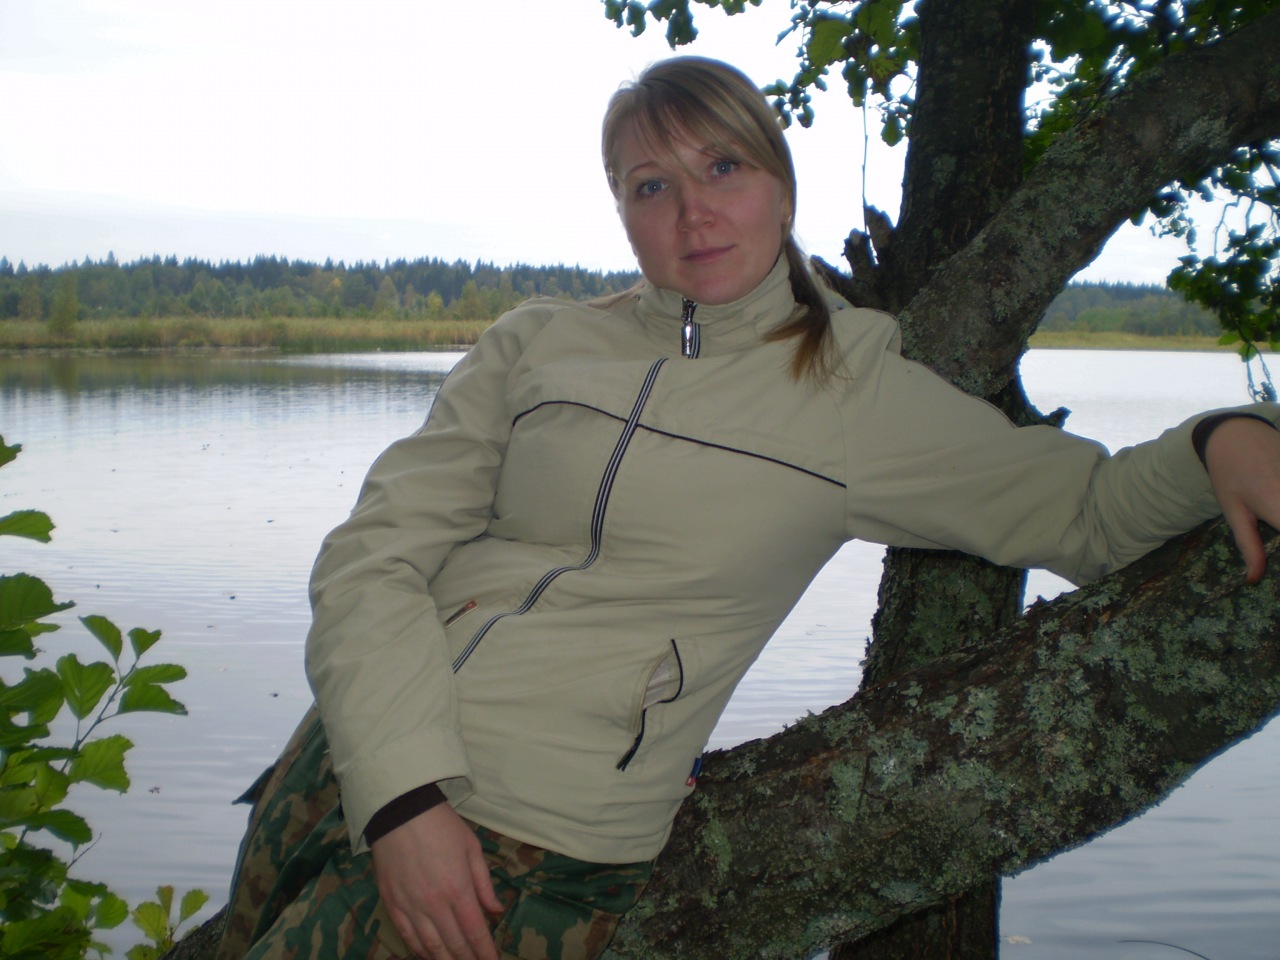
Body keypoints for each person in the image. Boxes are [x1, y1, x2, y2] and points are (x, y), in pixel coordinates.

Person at [216, 56, 1280, 960]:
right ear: (620, 209)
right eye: (650, 185)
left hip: (525, 835)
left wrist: (1219, 439)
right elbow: (371, 558)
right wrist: (400, 791)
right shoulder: (537, 342)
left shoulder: (853, 392)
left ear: (780, 184)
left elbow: (1085, 511)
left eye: (722, 167)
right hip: (345, 754)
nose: (692, 212)